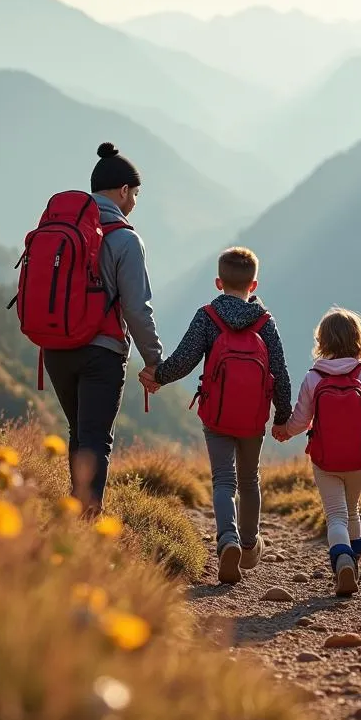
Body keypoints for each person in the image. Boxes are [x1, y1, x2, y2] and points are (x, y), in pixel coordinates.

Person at [142, 247, 292, 583]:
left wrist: (158, 376)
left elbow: (184, 359)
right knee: (249, 479)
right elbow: (280, 372)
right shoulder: (266, 322)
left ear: (218, 282)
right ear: (254, 285)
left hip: (217, 416)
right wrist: (282, 416)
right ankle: (250, 544)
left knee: (223, 480)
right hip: (254, 419)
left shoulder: (208, 316)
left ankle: (228, 541)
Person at [43, 143, 162, 512]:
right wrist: (154, 360)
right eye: (136, 194)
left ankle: (76, 512)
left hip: (55, 346)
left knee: (79, 433)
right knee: (96, 438)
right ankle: (87, 522)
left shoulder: (61, 226)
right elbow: (136, 309)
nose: (135, 201)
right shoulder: (126, 239)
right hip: (101, 352)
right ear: (124, 191)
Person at [279, 307, 361, 597]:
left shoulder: (313, 377)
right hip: (358, 459)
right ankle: (353, 559)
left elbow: (301, 420)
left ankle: (342, 558)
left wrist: (284, 431)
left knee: (335, 516)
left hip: (325, 459)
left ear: (322, 341)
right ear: (358, 339)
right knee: (352, 510)